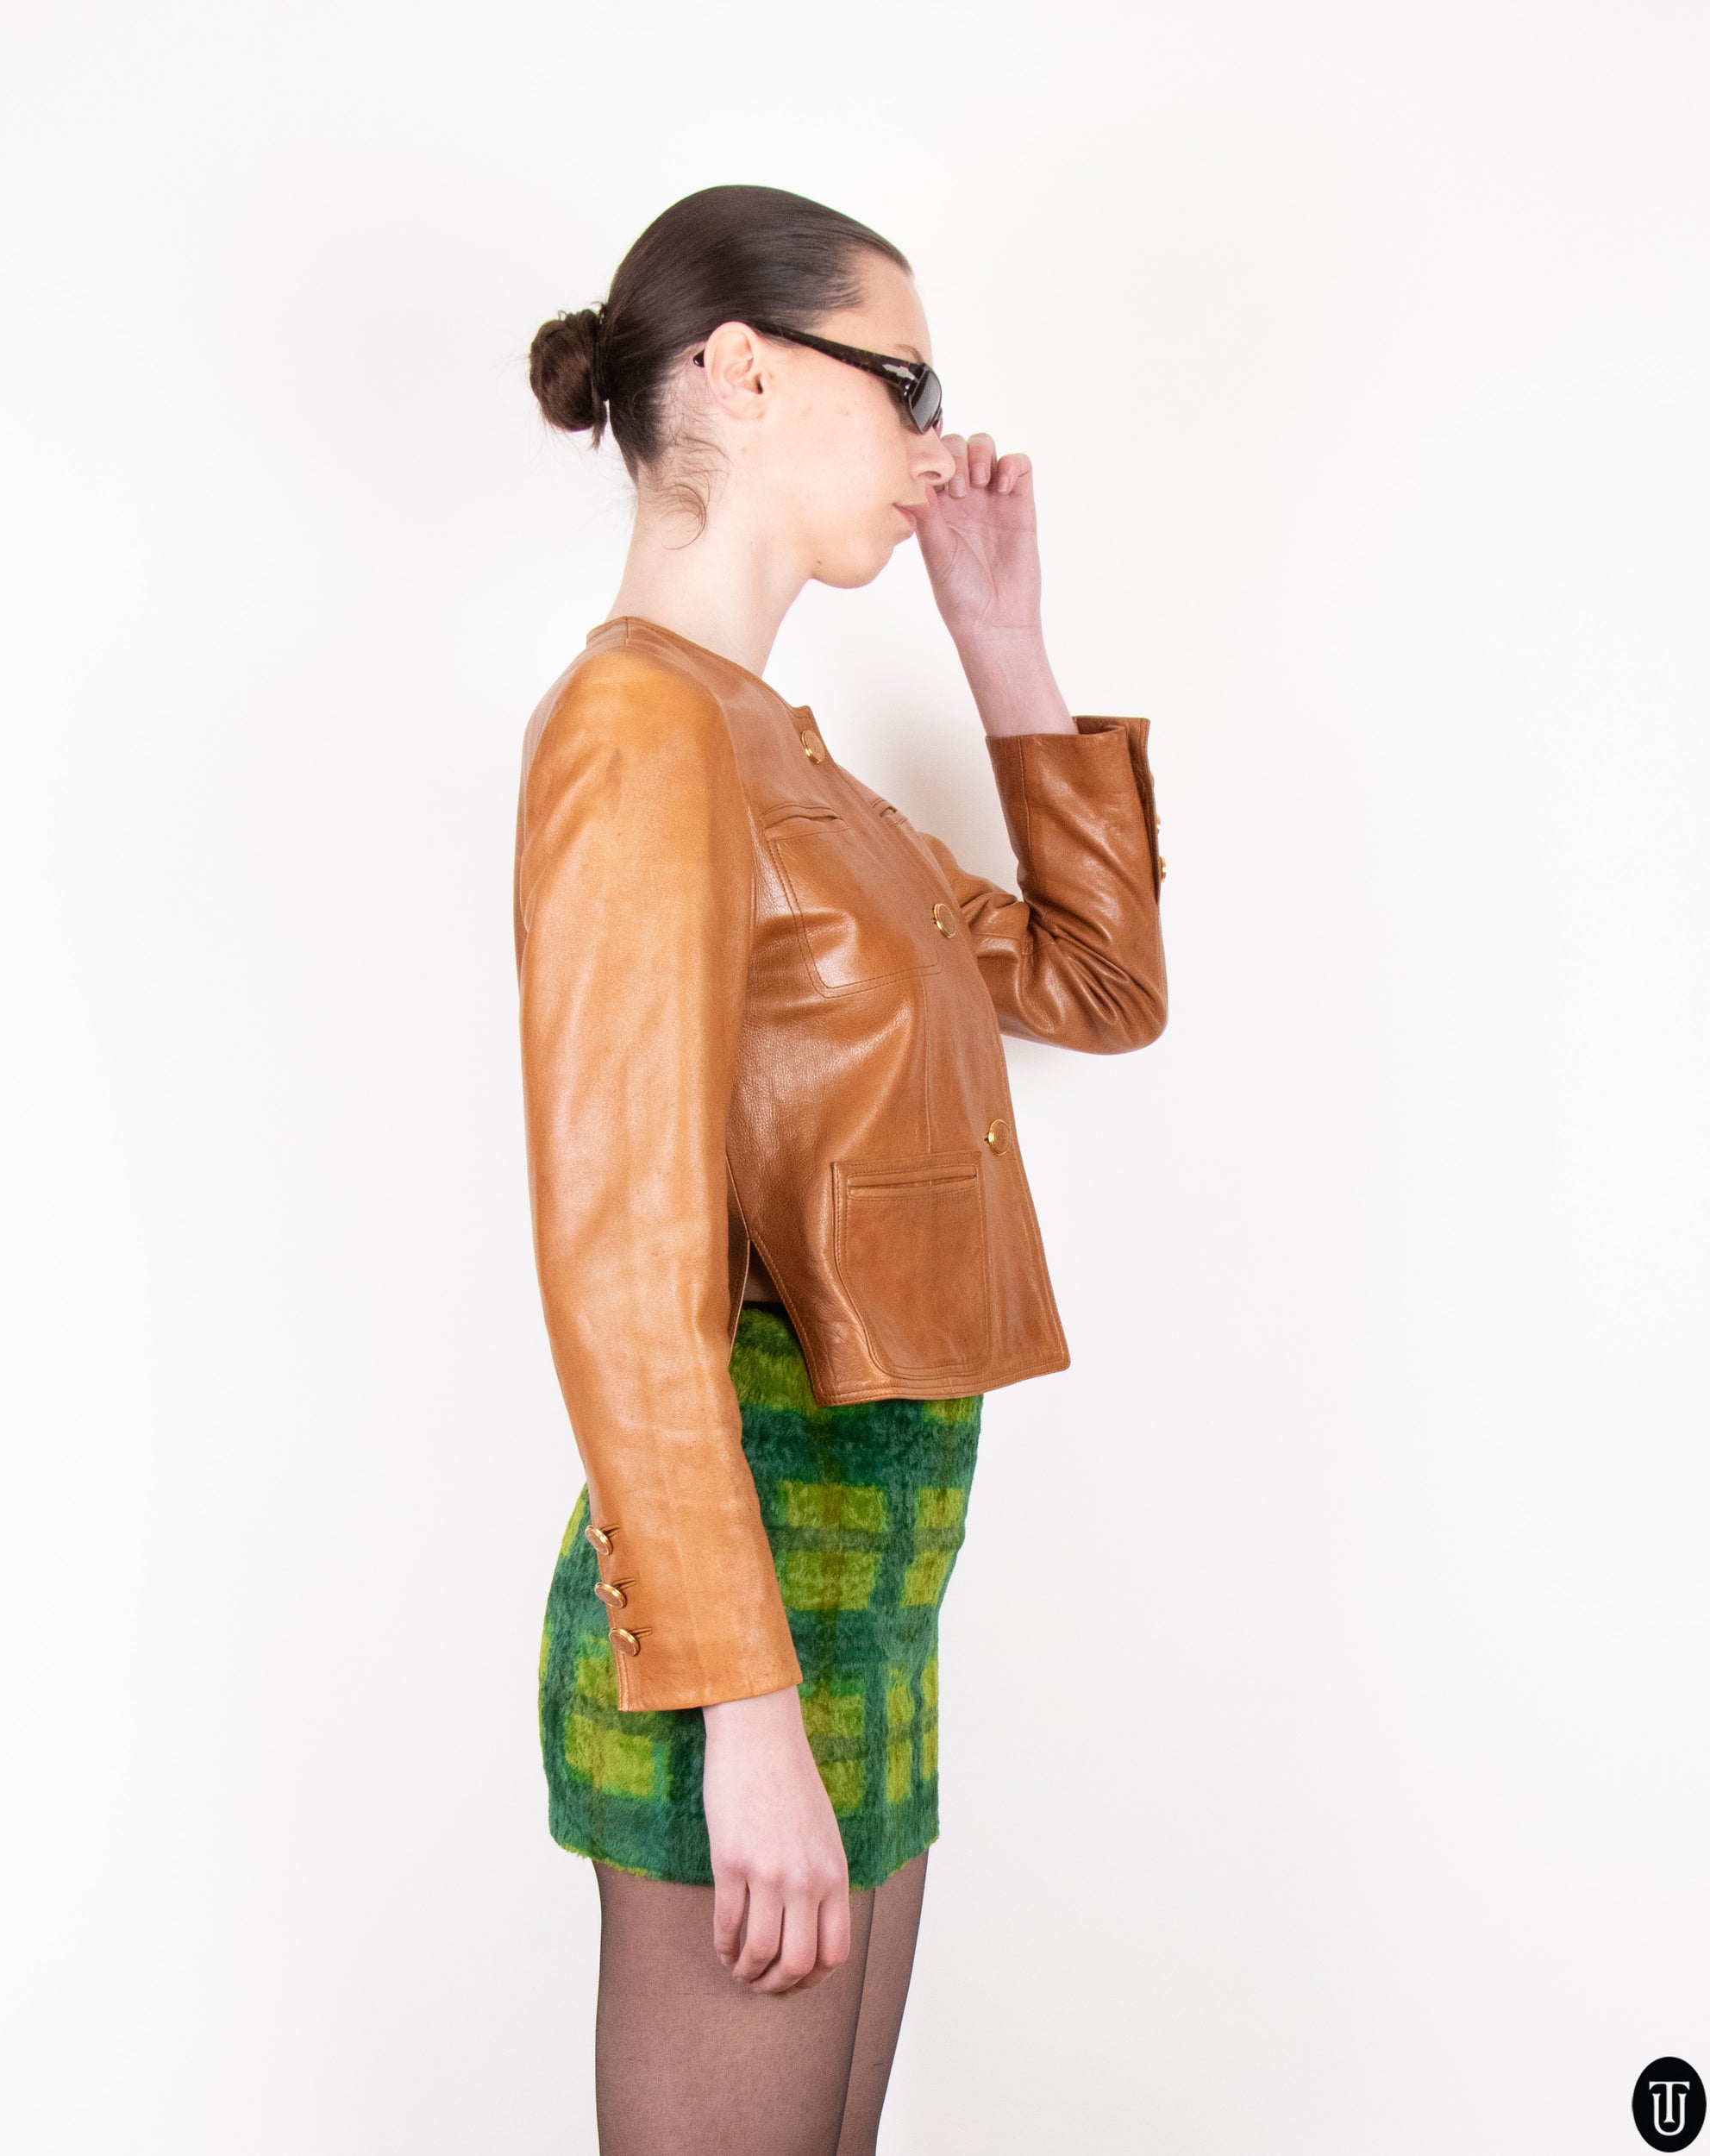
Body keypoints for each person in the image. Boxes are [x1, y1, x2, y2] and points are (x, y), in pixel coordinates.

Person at [514, 184, 1168, 2156]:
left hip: (870, 1586)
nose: (931, 436)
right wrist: (744, 1711)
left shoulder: (788, 762)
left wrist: (1001, 635)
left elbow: (1100, 983)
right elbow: (623, 1265)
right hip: (741, 1617)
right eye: (905, 382)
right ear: (739, 369)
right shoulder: (640, 728)